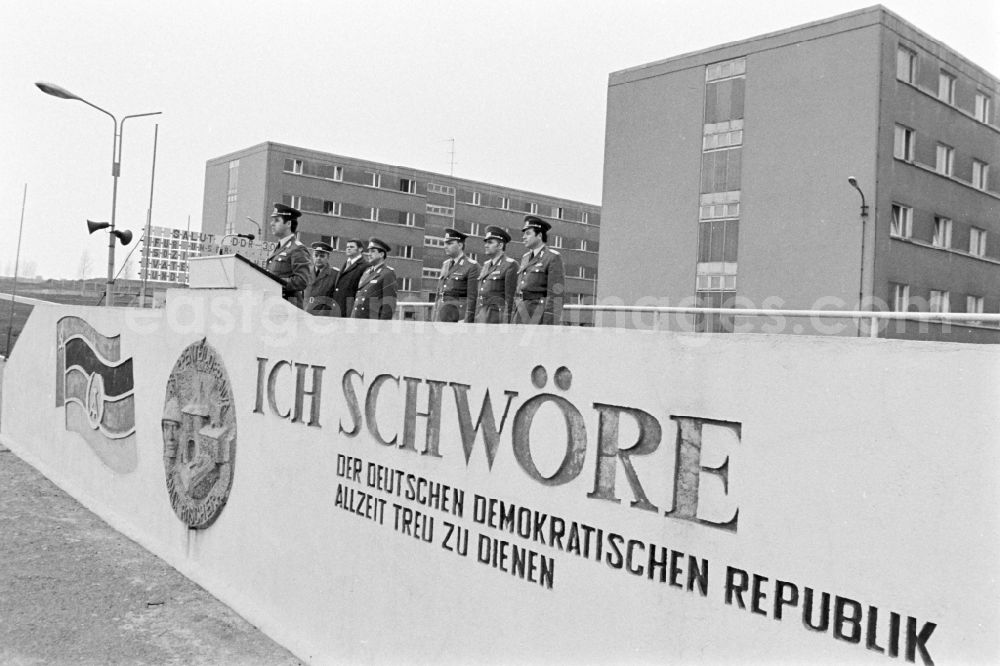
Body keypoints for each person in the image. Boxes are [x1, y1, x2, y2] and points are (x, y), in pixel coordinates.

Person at [512, 215, 564, 325]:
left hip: (537, 314)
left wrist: (549, 323)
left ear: (539, 235)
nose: (523, 237)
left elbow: (556, 294)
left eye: (528, 233)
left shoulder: (552, 257)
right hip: (521, 312)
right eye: (523, 233)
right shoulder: (525, 257)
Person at [265, 203, 312, 308]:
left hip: (288, 308)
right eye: (272, 220)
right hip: (274, 305)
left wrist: (274, 283)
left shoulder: (297, 248)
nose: (272, 224)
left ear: (288, 224)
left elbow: (302, 281)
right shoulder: (279, 247)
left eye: (277, 220)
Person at [475, 226, 518, 324]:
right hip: (481, 315)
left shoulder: (510, 265)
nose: (486, 245)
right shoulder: (486, 265)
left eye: (490, 242)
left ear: (500, 245)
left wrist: (507, 323)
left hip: (497, 318)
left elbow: (510, 298)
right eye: (485, 242)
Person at [434, 228, 479, 323]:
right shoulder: (446, 264)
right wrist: (434, 316)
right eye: (445, 243)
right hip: (441, 315)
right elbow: (439, 293)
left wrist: (467, 321)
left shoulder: (471, 266)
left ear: (460, 245)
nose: (445, 246)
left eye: (450, 243)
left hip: (458, 318)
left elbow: (473, 298)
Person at [351, 238, 397, 319]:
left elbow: (388, 306)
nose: (369, 254)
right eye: (368, 251)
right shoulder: (366, 272)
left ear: (381, 254)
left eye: (372, 251)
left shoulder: (387, 273)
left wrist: (381, 327)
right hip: (358, 320)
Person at [303, 241, 340, 316]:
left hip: (323, 316)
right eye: (316, 255)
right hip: (305, 313)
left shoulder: (335, 274)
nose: (318, 258)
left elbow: (335, 298)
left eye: (322, 256)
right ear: (312, 256)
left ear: (328, 258)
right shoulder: (306, 272)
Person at [331, 239, 367, 317]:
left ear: (360, 249)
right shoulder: (346, 263)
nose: (348, 248)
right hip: (337, 308)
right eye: (347, 247)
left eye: (351, 247)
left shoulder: (365, 266)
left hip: (349, 310)